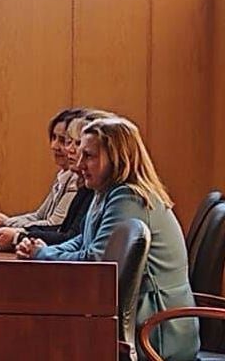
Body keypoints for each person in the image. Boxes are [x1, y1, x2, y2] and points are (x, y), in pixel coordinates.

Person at [17, 116, 199, 361]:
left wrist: (42, 254)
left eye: (89, 156)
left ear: (117, 158)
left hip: (156, 330)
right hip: (136, 318)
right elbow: (84, 240)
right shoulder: (105, 192)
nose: (78, 164)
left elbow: (98, 262)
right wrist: (43, 248)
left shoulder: (129, 198)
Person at [0, 109, 114, 250]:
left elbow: (75, 242)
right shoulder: (87, 186)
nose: (68, 149)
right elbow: (73, 238)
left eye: (78, 144)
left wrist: (18, 236)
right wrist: (19, 235)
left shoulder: (109, 193)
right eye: (69, 142)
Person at [0, 107, 81, 231]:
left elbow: (54, 225)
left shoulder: (76, 179)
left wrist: (7, 224)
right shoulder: (63, 175)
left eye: (63, 140)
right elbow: (38, 216)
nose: (54, 146)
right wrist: (6, 222)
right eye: (53, 138)